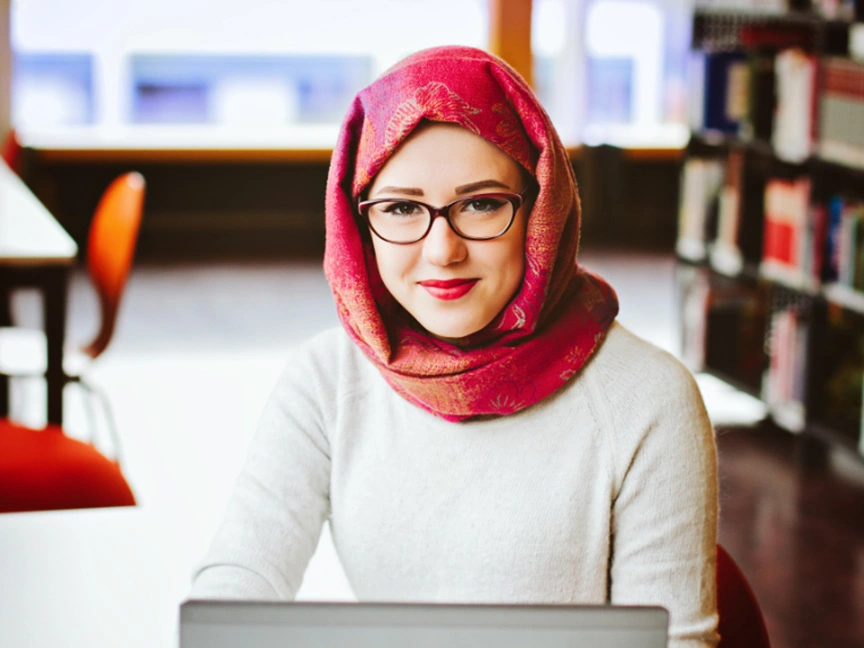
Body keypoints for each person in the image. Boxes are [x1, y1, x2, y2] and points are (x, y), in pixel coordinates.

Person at [190, 45, 719, 647]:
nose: (443, 251)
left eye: (482, 203)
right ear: (358, 224)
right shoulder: (325, 380)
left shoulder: (648, 400)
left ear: (541, 207)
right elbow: (238, 582)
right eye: (400, 208)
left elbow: (677, 643)